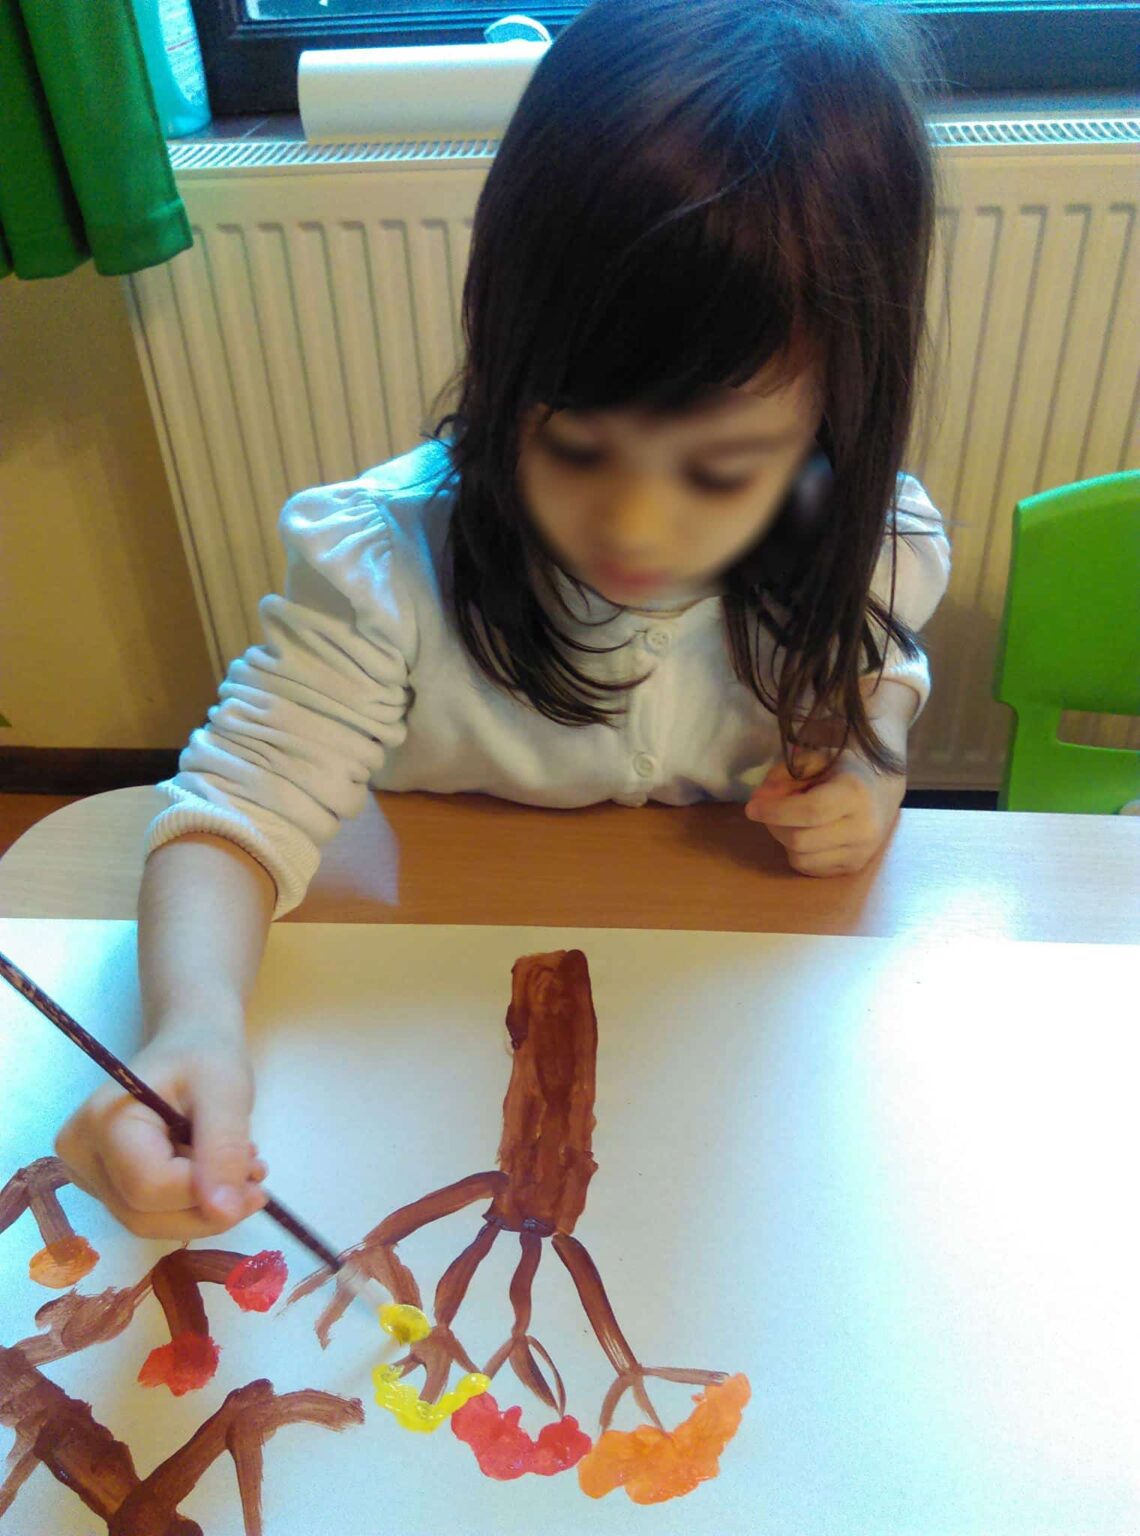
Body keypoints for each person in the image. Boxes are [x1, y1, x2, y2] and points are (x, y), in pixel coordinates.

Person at [57, 0, 951, 1241]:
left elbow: (879, 685)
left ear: (834, 420)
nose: (634, 525)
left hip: (732, 1056)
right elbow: (236, 807)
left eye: (720, 468)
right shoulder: (388, 561)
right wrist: (191, 1025)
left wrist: (870, 770)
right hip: (430, 1013)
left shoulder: (869, 547)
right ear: (504, 356)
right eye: (574, 443)